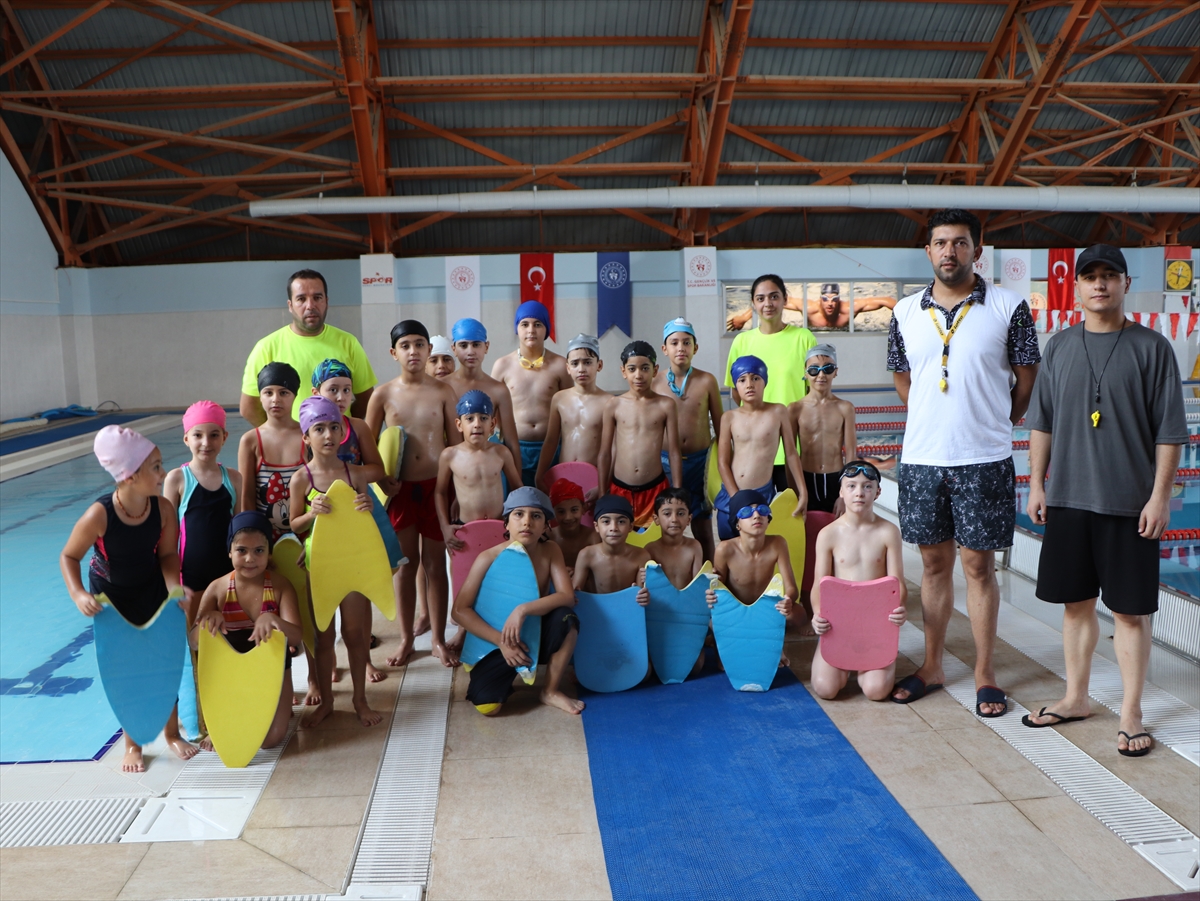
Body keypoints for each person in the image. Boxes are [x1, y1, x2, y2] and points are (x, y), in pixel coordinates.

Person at [1023, 244, 1186, 757]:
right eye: (1090, 276)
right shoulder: (1060, 347)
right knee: (1076, 606)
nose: (1100, 285)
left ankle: (1133, 712)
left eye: (1109, 276)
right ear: (1076, 287)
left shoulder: (1152, 347)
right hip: (1069, 498)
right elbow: (1041, 422)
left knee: (1131, 613)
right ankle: (1076, 697)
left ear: (1124, 283)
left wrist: (1160, 497)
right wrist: (1035, 483)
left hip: (1128, 502)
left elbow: (1169, 433)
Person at [887, 208, 1040, 716]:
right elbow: (903, 377)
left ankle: (984, 672)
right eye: (940, 243)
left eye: (959, 242)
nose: (949, 251)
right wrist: (931, 417)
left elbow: (1025, 377)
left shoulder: (1009, 305)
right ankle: (932, 665)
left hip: (984, 457)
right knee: (933, 565)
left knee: (978, 567)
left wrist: (998, 420)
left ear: (977, 249)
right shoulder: (905, 312)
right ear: (928, 252)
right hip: (924, 458)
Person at [60, 426, 198, 772]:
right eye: (155, 467)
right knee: (128, 671)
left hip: (151, 587)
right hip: (113, 597)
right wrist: (78, 594)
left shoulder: (163, 509)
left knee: (165, 660)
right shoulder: (100, 515)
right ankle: (133, 744)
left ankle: (171, 734)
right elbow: (69, 556)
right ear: (129, 475)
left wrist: (173, 587)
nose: (163, 473)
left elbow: (168, 556)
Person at [366, 320, 463, 668]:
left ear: (429, 351)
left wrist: (456, 490)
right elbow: (369, 446)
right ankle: (407, 638)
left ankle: (436, 638)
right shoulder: (383, 394)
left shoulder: (443, 392)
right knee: (406, 567)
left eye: (420, 344)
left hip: (437, 486)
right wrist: (381, 482)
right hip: (401, 491)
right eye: (405, 345)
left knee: (437, 565)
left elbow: (458, 443)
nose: (413, 351)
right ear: (394, 353)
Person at [287, 396, 383, 728]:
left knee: (355, 633)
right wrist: (310, 515)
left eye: (333, 428)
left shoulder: (354, 473)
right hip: (322, 564)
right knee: (324, 634)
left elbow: (365, 518)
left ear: (343, 432)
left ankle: (359, 699)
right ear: (306, 437)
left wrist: (367, 506)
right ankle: (327, 701)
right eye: (319, 429)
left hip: (353, 560)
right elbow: (293, 524)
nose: (327, 435)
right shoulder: (301, 479)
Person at [453, 487, 583, 715]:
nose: (527, 522)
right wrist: (501, 642)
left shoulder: (550, 550)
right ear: (506, 523)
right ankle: (508, 674)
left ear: (545, 525)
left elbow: (566, 596)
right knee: (489, 707)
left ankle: (549, 691)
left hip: (533, 630)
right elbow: (460, 610)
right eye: (518, 514)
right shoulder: (488, 558)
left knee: (567, 618)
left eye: (536, 516)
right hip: (497, 641)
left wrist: (522, 610)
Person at [193, 511, 302, 750]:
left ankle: (280, 708)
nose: (250, 558)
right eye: (242, 550)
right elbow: (193, 644)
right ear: (230, 551)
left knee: (268, 741)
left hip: (273, 672)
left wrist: (274, 619)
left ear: (268, 552)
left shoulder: (281, 586)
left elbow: (296, 636)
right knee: (235, 736)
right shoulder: (218, 589)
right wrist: (207, 621)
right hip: (232, 677)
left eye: (259, 550)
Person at [310, 358, 387, 686]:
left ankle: (365, 658)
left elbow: (378, 469)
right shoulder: (311, 429)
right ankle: (326, 666)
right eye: (333, 390)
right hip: (324, 522)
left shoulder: (358, 427)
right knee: (325, 598)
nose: (340, 396)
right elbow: (306, 475)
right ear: (317, 392)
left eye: (346, 390)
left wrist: (347, 478)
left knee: (363, 587)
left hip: (358, 512)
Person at [809, 462, 908, 701]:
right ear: (841, 492)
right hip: (838, 624)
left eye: (867, 486)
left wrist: (899, 609)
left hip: (875, 624)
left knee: (876, 691)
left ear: (878, 492)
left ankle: (867, 666)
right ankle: (840, 663)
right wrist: (817, 614)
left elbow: (898, 583)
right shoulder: (828, 534)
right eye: (851, 486)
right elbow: (818, 585)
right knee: (826, 689)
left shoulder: (888, 532)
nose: (859, 493)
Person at [241, 269, 376, 424]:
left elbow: (367, 398)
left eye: (317, 297)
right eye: (301, 299)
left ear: (326, 301)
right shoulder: (266, 347)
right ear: (290, 305)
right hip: (289, 447)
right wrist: (279, 433)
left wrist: (343, 427)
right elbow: (249, 407)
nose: (310, 305)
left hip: (337, 445)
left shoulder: (348, 343)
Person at [724, 276, 817, 492]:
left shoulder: (804, 338)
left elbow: (813, 394)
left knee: (790, 519)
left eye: (774, 297)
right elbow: (735, 393)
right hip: (754, 450)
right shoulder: (742, 342)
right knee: (753, 521)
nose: (768, 304)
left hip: (792, 449)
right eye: (761, 298)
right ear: (754, 303)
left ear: (785, 299)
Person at [164, 401, 243, 621]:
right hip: (191, 574)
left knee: (228, 634)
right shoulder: (177, 479)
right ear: (186, 438)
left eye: (214, 435)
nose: (206, 443)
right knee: (196, 635)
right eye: (198, 435)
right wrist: (169, 581)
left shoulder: (234, 478)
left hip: (228, 571)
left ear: (225, 437)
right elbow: (168, 536)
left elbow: (239, 532)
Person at [653, 318, 722, 561]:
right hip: (663, 463)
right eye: (674, 342)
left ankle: (711, 573)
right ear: (665, 349)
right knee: (664, 521)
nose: (680, 347)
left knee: (702, 525)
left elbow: (721, 427)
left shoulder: (707, 381)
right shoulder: (654, 382)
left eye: (686, 342)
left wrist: (722, 463)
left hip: (700, 463)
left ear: (696, 347)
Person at [715, 356, 806, 540]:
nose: (749, 384)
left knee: (761, 552)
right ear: (736, 386)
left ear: (764, 382)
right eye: (742, 380)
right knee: (729, 551)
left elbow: (790, 454)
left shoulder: (778, 412)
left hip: (762, 496)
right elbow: (723, 462)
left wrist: (802, 491)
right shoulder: (729, 418)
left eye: (755, 378)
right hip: (731, 494)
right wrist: (736, 498)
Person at [704, 489, 797, 666]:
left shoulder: (778, 543)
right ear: (737, 524)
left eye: (762, 510)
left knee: (796, 614)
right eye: (746, 512)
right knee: (727, 664)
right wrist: (711, 592)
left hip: (763, 612)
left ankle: (774, 646)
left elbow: (791, 587)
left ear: (768, 519)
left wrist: (788, 599)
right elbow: (719, 591)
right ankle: (718, 638)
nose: (756, 515)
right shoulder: (725, 549)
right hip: (735, 612)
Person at [598, 340, 682, 528]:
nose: (639, 375)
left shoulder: (666, 405)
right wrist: (603, 492)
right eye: (632, 369)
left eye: (645, 368)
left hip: (656, 488)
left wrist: (677, 490)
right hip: (619, 487)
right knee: (620, 544)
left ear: (655, 370)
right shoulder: (614, 405)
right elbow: (604, 453)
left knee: (657, 544)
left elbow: (675, 451)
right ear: (623, 371)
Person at [491, 300, 571, 486]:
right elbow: (492, 411)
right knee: (517, 506)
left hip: (551, 448)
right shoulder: (502, 365)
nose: (531, 330)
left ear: (547, 329)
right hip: (514, 448)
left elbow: (569, 409)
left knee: (552, 506)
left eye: (538, 324)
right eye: (524, 324)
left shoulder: (560, 365)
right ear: (516, 328)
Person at [435, 390, 523, 550]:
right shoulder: (450, 455)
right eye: (469, 419)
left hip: (500, 526)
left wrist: (516, 520)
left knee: (498, 573)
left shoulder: (501, 452)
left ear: (492, 424)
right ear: (459, 425)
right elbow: (440, 492)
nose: (477, 424)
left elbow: (517, 488)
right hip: (466, 529)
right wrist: (445, 527)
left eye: (483, 418)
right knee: (468, 574)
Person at [237, 362, 305, 540]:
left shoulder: (307, 436)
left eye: (283, 393)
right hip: (265, 536)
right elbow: (247, 497)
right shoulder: (250, 441)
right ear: (260, 397)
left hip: (305, 534)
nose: (276, 399)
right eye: (268, 392)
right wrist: (254, 539)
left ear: (294, 396)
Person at [445, 318, 522, 473]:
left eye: (476, 344)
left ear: (486, 347)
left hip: (487, 471)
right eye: (463, 345)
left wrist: (517, 484)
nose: (470, 351)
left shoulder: (498, 390)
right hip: (451, 469)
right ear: (454, 348)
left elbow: (511, 443)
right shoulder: (441, 387)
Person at [535, 333, 608, 495]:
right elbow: (551, 441)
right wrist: (540, 475)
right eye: (575, 363)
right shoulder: (559, 399)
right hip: (564, 476)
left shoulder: (609, 402)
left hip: (594, 477)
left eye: (587, 362)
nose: (581, 369)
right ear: (568, 368)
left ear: (599, 365)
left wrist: (603, 485)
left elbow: (613, 450)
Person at [790, 344, 856, 516]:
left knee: (838, 536)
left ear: (836, 372)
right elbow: (790, 454)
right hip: (805, 480)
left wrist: (845, 493)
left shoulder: (845, 408)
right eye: (814, 370)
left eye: (827, 369)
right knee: (807, 536)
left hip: (837, 479)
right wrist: (794, 492)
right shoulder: (795, 409)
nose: (821, 375)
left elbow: (851, 454)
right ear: (805, 373)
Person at [573, 494, 652, 600]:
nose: (613, 528)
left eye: (621, 522)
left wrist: (644, 596)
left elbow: (640, 594)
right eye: (606, 522)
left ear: (630, 527)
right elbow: (575, 592)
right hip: (596, 611)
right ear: (596, 526)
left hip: (629, 610)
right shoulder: (587, 555)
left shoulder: (641, 556)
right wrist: (573, 593)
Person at [725, 282, 895, 331]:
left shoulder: (849, 307)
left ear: (839, 300)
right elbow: (770, 303)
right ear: (820, 300)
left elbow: (886, 300)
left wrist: (909, 313)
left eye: (834, 299)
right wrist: (743, 318)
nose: (830, 303)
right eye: (825, 299)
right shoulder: (809, 307)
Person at [644, 488, 705, 592]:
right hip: (660, 605)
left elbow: (697, 586)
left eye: (680, 514)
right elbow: (646, 585)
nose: (674, 519)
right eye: (667, 514)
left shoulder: (694, 546)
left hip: (688, 604)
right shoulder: (650, 550)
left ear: (689, 519)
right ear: (656, 519)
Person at [547, 478, 598, 577]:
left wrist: (581, 573)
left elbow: (600, 570)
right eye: (561, 512)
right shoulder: (547, 537)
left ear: (583, 509)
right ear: (553, 512)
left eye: (574, 510)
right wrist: (557, 571)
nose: (568, 517)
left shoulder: (593, 536)